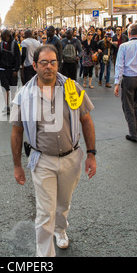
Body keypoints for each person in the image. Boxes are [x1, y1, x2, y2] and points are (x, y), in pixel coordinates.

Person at [10, 44, 96, 257]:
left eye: (53, 62)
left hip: (71, 158)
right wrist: (17, 165)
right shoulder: (24, 95)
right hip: (42, 161)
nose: (49, 67)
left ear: (58, 63)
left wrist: (91, 153)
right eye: (44, 62)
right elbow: (16, 132)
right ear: (35, 65)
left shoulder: (72, 87)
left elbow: (86, 120)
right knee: (45, 212)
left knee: (63, 204)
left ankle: (61, 230)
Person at [0, 30, 21, 112]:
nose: (1, 37)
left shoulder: (15, 45)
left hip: (12, 70)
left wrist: (16, 69)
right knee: (5, 88)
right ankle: (6, 106)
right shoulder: (0, 45)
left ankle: (13, 104)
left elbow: (18, 58)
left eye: (3, 36)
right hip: (3, 69)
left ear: (7, 36)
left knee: (13, 88)